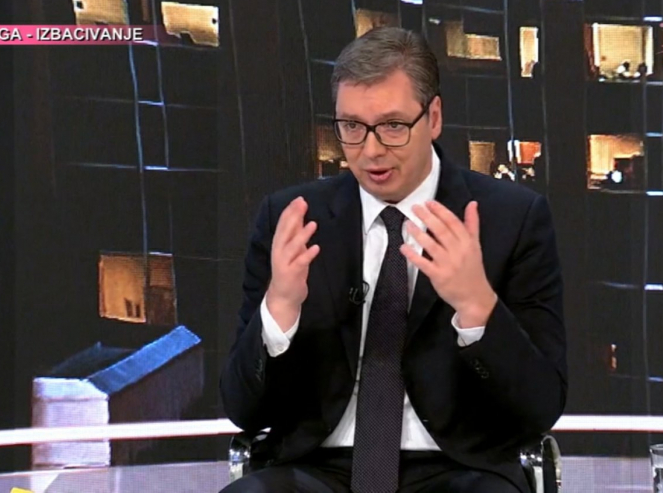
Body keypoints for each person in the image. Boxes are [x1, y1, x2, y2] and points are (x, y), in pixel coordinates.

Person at [220, 26, 567, 493]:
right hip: (316, 467)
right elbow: (243, 408)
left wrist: (477, 306)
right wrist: (280, 308)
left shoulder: (512, 219)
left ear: (434, 117)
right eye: (351, 127)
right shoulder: (293, 220)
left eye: (393, 126)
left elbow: (541, 405)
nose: (371, 150)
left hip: (461, 468)